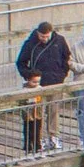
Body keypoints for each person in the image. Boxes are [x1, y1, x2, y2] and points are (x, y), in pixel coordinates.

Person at [16, 21, 71, 152]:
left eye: (47, 36)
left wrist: (62, 74)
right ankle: (37, 139)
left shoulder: (60, 41)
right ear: (37, 33)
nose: (44, 39)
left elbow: (66, 58)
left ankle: (53, 136)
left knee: (53, 111)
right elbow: (21, 62)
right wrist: (29, 76)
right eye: (42, 36)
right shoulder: (30, 44)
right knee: (36, 112)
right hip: (37, 85)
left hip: (56, 82)